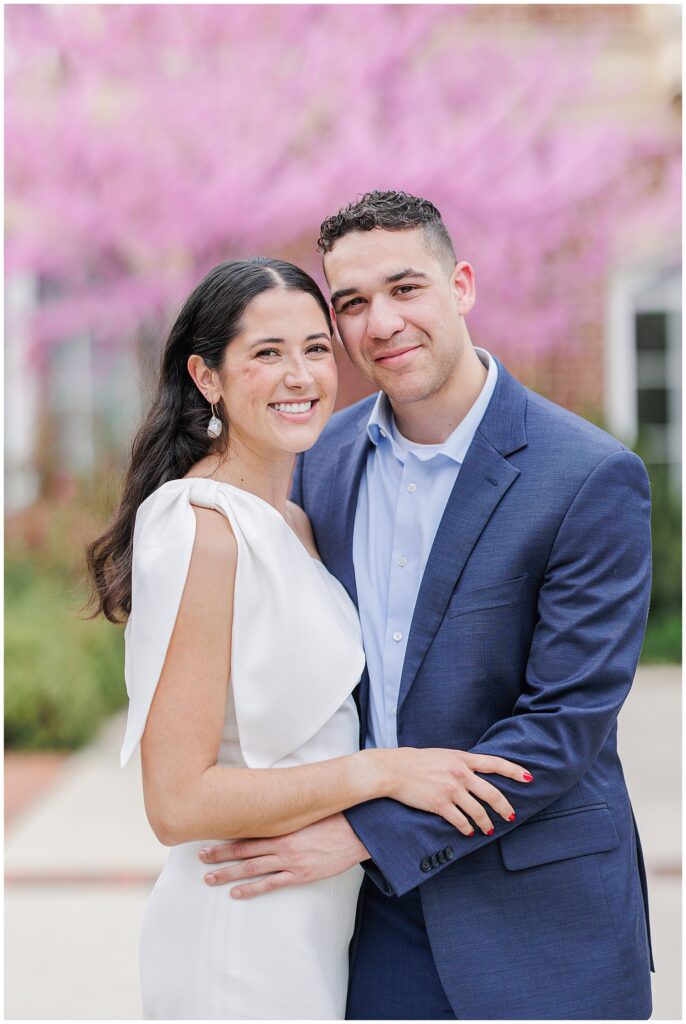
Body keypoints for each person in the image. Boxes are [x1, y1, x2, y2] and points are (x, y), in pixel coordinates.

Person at [200, 193, 655, 1020]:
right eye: (352, 304)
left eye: (405, 288)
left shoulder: (589, 477)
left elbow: (563, 725)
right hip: (376, 926)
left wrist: (366, 833)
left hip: (543, 926)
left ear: (462, 287)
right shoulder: (322, 461)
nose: (381, 323)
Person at [86, 256, 531, 1020]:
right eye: (267, 353)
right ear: (207, 377)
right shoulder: (202, 528)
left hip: (314, 930)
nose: (301, 376)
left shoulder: (293, 520)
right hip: (239, 930)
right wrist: (382, 774)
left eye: (316, 347)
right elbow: (177, 800)